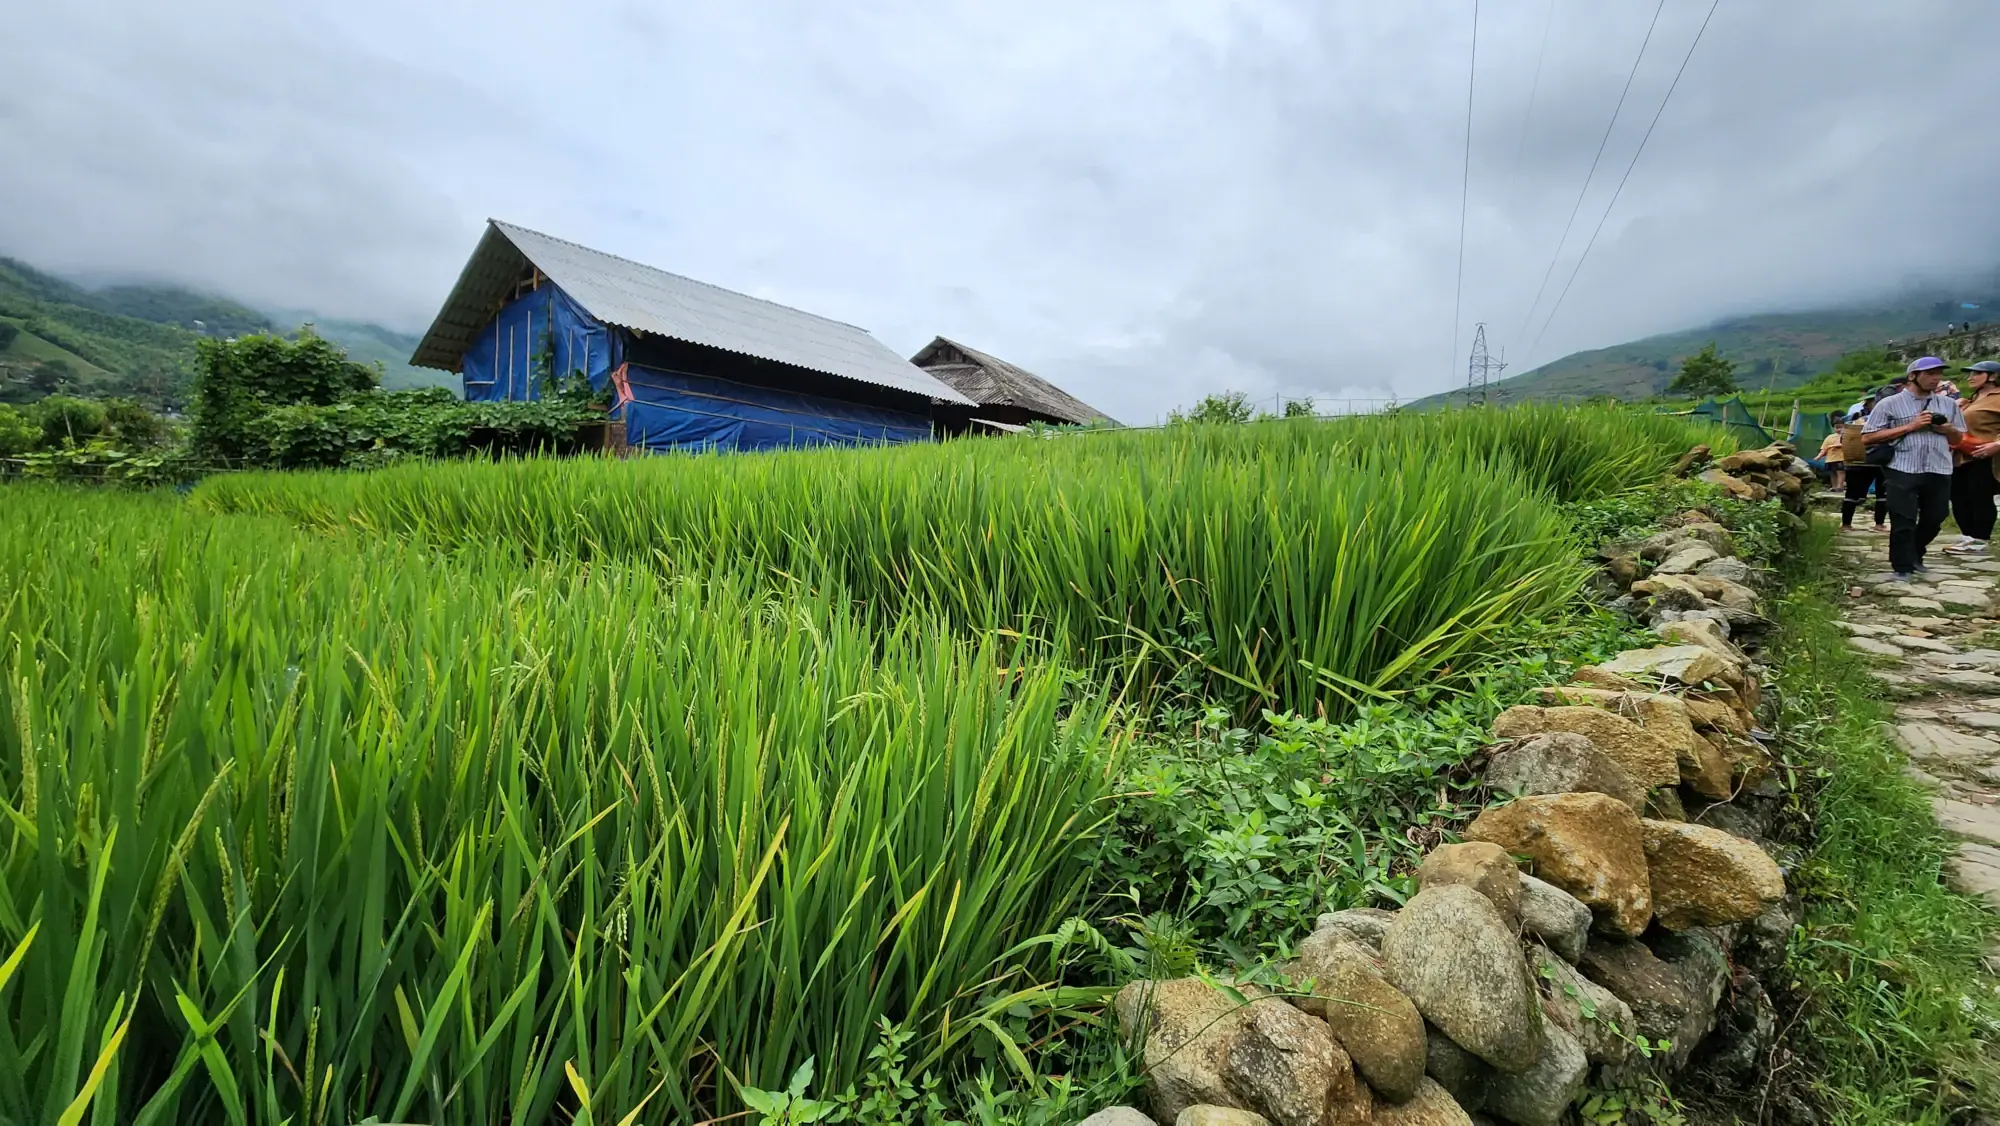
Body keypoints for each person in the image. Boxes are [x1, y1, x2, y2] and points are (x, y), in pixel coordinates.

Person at [1864, 357, 1967, 578]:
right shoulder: (1888, 404)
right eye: (1930, 374)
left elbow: (1959, 437)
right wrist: (1911, 426)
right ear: (1913, 376)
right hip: (1902, 466)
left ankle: (1916, 553)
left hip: (1938, 466)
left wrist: (1947, 429)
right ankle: (1902, 567)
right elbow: (1868, 437)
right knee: (1903, 518)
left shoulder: (1948, 404)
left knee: (1936, 517)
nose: (1936, 379)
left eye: (1938, 374)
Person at [1947, 361, 2000, 554]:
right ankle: (1967, 537)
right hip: (1962, 454)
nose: (1970, 377)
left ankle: (1980, 540)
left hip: (1985, 455)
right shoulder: (1973, 398)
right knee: (1959, 497)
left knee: (1980, 497)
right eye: (1970, 374)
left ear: (1992, 376)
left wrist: (1997, 444)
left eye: (1977, 373)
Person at [1841, 393, 1888, 534]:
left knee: (1882, 494)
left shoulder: (1857, 419)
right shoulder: (1858, 418)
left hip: (1875, 461)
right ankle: (1846, 524)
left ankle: (1879, 524)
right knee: (1852, 493)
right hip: (1862, 461)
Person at [1818, 412, 1847, 491]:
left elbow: (1845, 445)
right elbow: (1824, 448)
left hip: (1841, 458)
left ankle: (1840, 486)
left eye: (1841, 427)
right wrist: (1819, 456)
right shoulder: (1829, 437)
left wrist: (1833, 446)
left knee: (1840, 472)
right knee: (1832, 473)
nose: (1839, 429)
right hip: (1830, 459)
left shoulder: (1846, 436)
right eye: (1837, 427)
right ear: (1833, 427)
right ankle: (1834, 487)